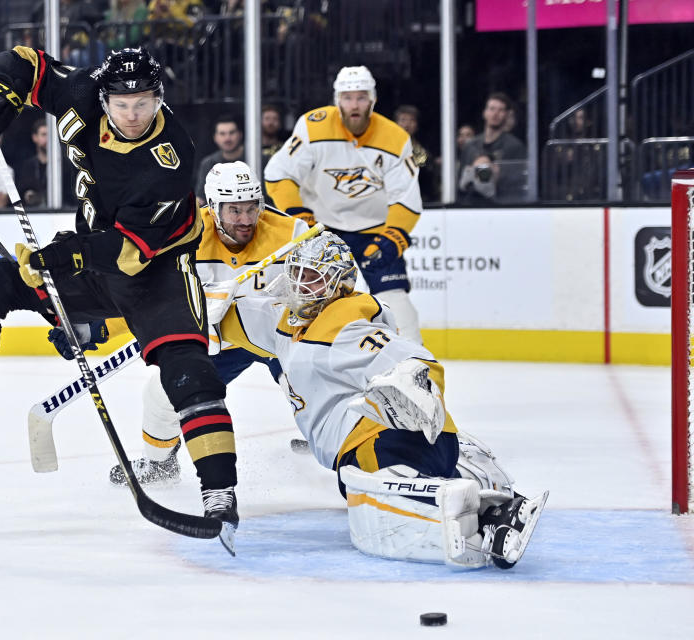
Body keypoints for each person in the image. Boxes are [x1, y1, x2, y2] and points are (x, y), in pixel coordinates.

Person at [0, 47, 241, 543]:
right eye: (122, 103)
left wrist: (58, 259)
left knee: (189, 374)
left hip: (158, 275)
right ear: (104, 97)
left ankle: (220, 496)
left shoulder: (169, 158)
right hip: (92, 262)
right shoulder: (83, 93)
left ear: (159, 99)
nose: (133, 114)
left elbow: (128, 251)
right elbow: (27, 62)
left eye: (144, 103)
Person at [216, 231, 548, 569]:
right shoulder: (288, 320)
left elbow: (417, 362)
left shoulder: (343, 324)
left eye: (314, 278)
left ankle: (492, 514)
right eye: (297, 274)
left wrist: (415, 384)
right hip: (394, 443)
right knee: (388, 494)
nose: (302, 286)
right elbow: (235, 320)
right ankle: (493, 504)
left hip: (383, 442)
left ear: (339, 285)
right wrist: (201, 305)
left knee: (394, 506)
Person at [105, 160, 310, 485]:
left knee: (314, 381)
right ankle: (159, 465)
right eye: (234, 211)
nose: (246, 220)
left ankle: (335, 443)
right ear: (213, 208)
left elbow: (330, 287)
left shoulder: (293, 233)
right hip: (221, 339)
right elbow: (147, 297)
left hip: (280, 335)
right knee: (162, 393)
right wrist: (102, 328)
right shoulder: (184, 237)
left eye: (251, 208)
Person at [264, 65, 425, 342]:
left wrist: (393, 237)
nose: (354, 104)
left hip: (375, 230)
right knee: (312, 297)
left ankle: (414, 360)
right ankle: (305, 350)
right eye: (348, 97)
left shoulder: (395, 138)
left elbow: (406, 196)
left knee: (394, 297)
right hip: (323, 231)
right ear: (337, 100)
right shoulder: (313, 126)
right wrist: (299, 216)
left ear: (372, 101)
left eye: (361, 97)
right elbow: (278, 174)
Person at [458, 92, 527, 205]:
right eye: (492, 109)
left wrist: (498, 175)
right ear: (484, 113)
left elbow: (519, 185)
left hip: (501, 207)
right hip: (470, 207)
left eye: (500, 110)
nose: (495, 114)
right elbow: (460, 183)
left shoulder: (514, 146)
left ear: (506, 114)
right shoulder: (470, 146)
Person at [194, 113, 244, 207]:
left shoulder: (256, 159)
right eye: (222, 134)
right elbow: (200, 198)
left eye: (232, 133)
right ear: (215, 138)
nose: (227, 138)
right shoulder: (208, 164)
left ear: (240, 135)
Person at [394, 104, 438, 202]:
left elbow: (426, 169)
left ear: (417, 125)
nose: (407, 124)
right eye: (403, 120)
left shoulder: (422, 147)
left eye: (411, 120)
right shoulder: (386, 147)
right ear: (396, 124)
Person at [14, 118, 48, 208]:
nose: (48, 139)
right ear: (35, 137)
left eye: (50, 135)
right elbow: (21, 193)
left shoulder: (63, 166)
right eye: (44, 135)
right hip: (32, 214)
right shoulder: (27, 167)